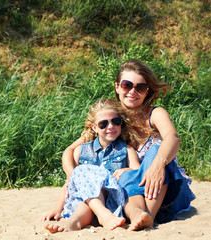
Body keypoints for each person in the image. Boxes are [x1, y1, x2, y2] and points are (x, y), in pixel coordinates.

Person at [61, 59, 195, 231]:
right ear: (117, 87)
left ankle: (148, 217)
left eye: (140, 87)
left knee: (156, 150)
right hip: (130, 197)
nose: (133, 91)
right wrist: (72, 177)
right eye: (127, 85)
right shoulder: (111, 119)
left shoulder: (155, 113)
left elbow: (173, 138)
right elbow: (70, 150)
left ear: (147, 91)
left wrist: (158, 164)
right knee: (125, 176)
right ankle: (138, 215)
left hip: (166, 192)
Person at [42, 99, 148, 233]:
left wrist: (127, 170)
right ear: (94, 128)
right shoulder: (81, 151)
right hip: (88, 206)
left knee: (84, 178)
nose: (110, 126)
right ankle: (74, 222)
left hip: (113, 201)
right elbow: (69, 183)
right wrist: (58, 209)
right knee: (82, 191)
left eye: (115, 121)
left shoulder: (126, 149)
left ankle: (104, 215)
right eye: (103, 124)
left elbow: (138, 171)